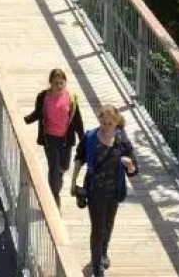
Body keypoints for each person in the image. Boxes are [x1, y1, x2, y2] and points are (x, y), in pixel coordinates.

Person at [70, 106, 138, 276]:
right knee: (98, 227)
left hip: (114, 190)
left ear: (116, 122)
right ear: (99, 119)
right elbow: (79, 157)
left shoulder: (122, 140)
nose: (107, 127)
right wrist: (73, 181)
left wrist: (129, 164)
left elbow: (134, 171)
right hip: (95, 190)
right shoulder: (91, 137)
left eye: (110, 123)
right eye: (104, 123)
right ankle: (97, 266)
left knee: (108, 224)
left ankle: (103, 253)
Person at [23, 68, 84, 206]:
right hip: (50, 138)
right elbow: (38, 113)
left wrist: (83, 139)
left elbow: (77, 121)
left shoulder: (71, 98)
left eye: (61, 83)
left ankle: (59, 177)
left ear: (65, 83)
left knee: (64, 166)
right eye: (56, 83)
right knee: (53, 168)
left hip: (66, 139)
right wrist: (24, 120)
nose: (59, 86)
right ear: (50, 83)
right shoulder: (43, 97)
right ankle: (55, 197)